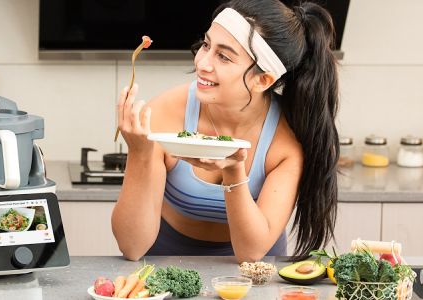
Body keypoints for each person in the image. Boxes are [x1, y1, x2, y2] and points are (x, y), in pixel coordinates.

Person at [111, 0, 339, 263]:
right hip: (166, 260)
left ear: (262, 80)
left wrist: (234, 169)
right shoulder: (163, 113)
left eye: (223, 56)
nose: (202, 63)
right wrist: (140, 153)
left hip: (255, 271)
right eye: (206, 45)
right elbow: (132, 246)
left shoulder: (286, 139)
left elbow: (250, 253)